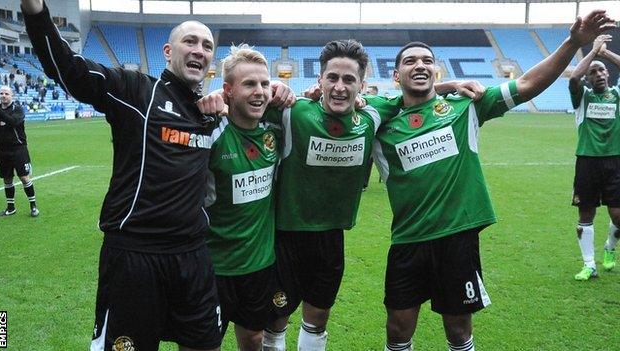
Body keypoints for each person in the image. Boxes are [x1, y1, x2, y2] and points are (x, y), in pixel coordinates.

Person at [369, 11, 614, 351]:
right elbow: (341, 103)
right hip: (408, 241)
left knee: (458, 331)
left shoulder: (464, 107)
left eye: (427, 60)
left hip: (457, 240)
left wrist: (573, 42)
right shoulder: (380, 121)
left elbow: (528, 84)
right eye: (410, 61)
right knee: (397, 331)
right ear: (396, 75)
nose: (420, 65)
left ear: (436, 70)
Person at [21, 0, 226, 350]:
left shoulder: (208, 111)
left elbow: (258, 100)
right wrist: (36, 11)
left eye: (207, 46)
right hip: (135, 257)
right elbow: (68, 69)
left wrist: (285, 94)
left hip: (192, 255)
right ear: (167, 51)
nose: (199, 50)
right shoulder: (134, 90)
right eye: (190, 41)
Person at [255, 40, 484, 351]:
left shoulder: (372, 115)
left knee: (317, 319)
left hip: (332, 237)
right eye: (332, 78)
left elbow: (414, 92)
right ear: (319, 80)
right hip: (284, 237)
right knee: (275, 322)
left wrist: (450, 84)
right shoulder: (294, 112)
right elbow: (245, 101)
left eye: (349, 80)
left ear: (361, 86)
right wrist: (268, 89)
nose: (339, 87)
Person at [203, 44, 288, 350]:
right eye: (249, 84)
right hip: (213, 266)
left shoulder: (275, 131)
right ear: (227, 91)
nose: (260, 92)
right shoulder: (211, 134)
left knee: (253, 338)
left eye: (265, 84)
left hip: (259, 263)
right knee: (205, 343)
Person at [569, 34, 620, 280]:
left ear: (608, 74)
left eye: (601, 71)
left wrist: (605, 54)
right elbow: (573, 78)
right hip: (587, 162)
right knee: (586, 214)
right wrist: (592, 52)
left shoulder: (618, 96)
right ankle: (589, 264)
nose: (598, 74)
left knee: (618, 216)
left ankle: (610, 246)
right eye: (593, 73)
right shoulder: (583, 98)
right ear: (589, 79)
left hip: (615, 161)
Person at [0, 85, 39, 217]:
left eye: (6, 94)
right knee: (7, 179)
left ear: (12, 96)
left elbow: (12, 122)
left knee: (24, 178)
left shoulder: (17, 109)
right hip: (2, 151)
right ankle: (11, 208)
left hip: (18, 149)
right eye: (1, 93)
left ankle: (33, 206)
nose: (3, 96)